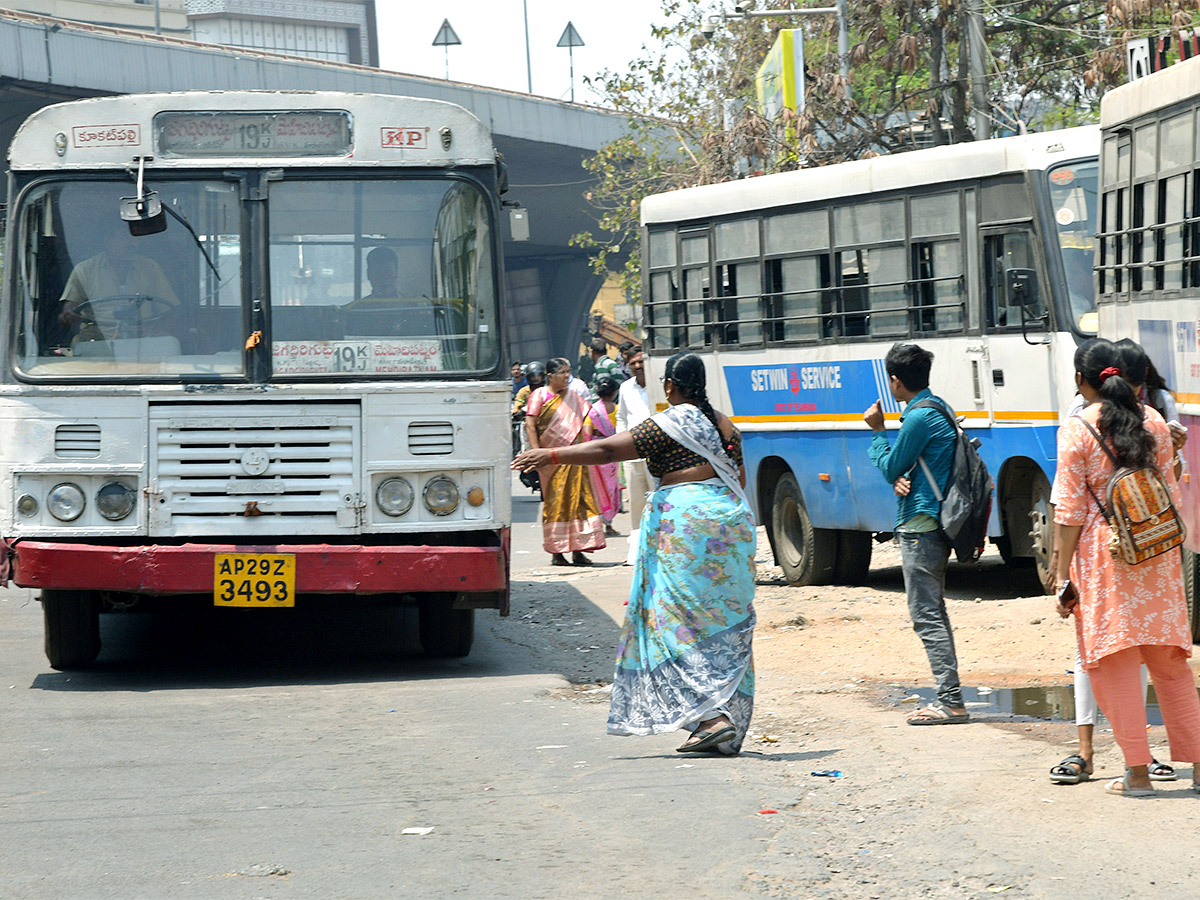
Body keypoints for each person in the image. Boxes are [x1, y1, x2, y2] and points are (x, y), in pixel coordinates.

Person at [513, 351, 756, 755]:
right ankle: (717, 716)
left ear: (670, 387)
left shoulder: (669, 422)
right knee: (722, 621)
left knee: (670, 621)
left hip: (686, 528)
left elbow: (608, 451)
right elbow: (739, 477)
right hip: (730, 526)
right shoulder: (724, 425)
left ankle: (711, 718)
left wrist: (551, 455)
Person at [1052, 337, 1200, 797]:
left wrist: (1061, 575)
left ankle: (1137, 774)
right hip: (1156, 556)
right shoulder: (1154, 421)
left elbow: (1069, 513)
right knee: (1172, 668)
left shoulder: (1077, 430)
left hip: (1106, 561)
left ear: (1082, 381)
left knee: (1114, 667)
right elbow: (1172, 496)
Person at [864, 343, 967, 725]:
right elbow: (909, 471)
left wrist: (877, 432)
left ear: (895, 380)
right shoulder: (939, 407)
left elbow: (892, 465)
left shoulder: (916, 418)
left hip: (921, 526)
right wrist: (900, 478)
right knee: (933, 611)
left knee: (926, 615)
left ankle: (950, 700)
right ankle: (950, 695)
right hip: (937, 521)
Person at [523, 358, 606, 566]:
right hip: (550, 459)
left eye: (568, 372)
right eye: (562, 372)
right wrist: (536, 453)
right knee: (556, 503)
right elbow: (530, 425)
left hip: (576, 457)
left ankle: (579, 550)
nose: (567, 376)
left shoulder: (574, 398)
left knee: (580, 501)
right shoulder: (539, 395)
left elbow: (589, 417)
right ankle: (557, 552)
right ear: (550, 376)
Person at [58, 228, 179, 345]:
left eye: (135, 239)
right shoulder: (85, 270)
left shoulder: (150, 268)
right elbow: (70, 307)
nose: (133, 243)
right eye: (124, 238)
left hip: (143, 341)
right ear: (107, 242)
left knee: (169, 344)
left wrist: (161, 330)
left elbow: (169, 310)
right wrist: (70, 313)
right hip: (98, 342)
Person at [616, 349, 652, 566]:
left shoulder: (661, 386)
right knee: (637, 506)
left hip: (657, 455)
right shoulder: (625, 388)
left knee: (658, 503)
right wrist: (622, 444)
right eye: (633, 364)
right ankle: (637, 554)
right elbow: (621, 418)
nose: (637, 366)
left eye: (641, 362)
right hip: (633, 455)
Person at [588, 375, 622, 536]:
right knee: (611, 489)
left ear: (597, 390)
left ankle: (598, 524)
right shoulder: (617, 409)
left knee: (597, 487)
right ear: (615, 391)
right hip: (614, 451)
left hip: (596, 451)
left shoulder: (593, 411)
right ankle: (609, 524)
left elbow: (587, 432)